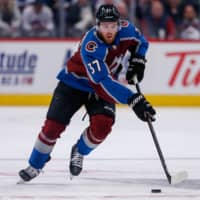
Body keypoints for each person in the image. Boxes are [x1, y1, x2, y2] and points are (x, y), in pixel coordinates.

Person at [18, 4, 156, 182]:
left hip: (102, 86)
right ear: (97, 25)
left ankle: (79, 151)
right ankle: (35, 165)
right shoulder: (90, 46)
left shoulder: (127, 29)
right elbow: (102, 81)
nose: (109, 30)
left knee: (103, 126)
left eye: (113, 26)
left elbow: (141, 42)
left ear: (119, 24)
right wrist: (133, 99)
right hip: (74, 83)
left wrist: (138, 59)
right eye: (105, 26)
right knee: (52, 127)